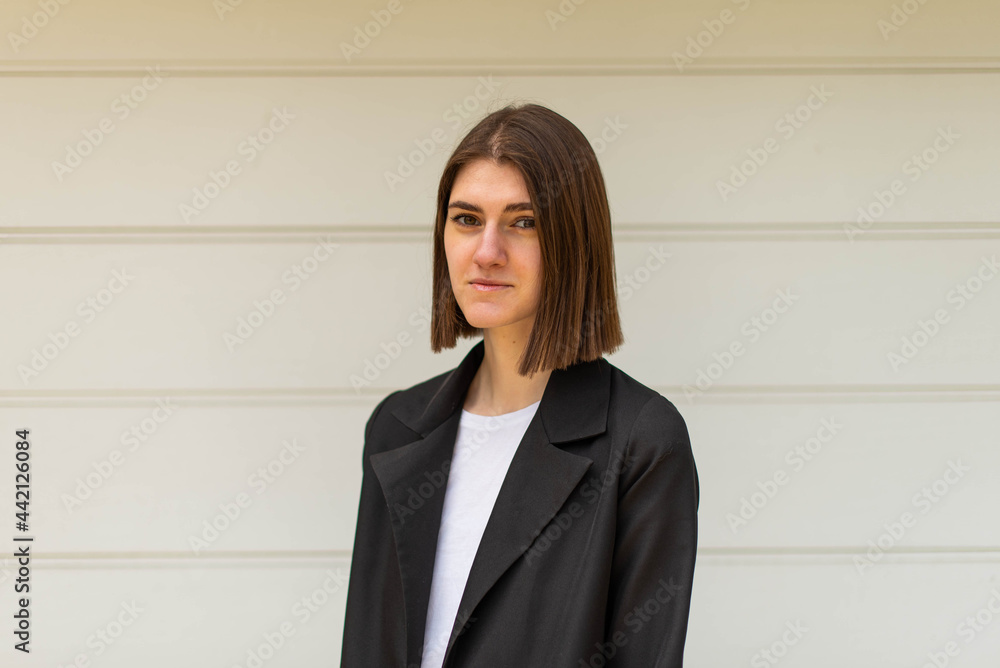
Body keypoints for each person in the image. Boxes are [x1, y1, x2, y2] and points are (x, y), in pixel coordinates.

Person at [341, 102, 699, 667]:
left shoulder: (641, 442)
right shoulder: (396, 427)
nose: (487, 252)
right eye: (466, 219)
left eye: (523, 222)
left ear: (574, 241)